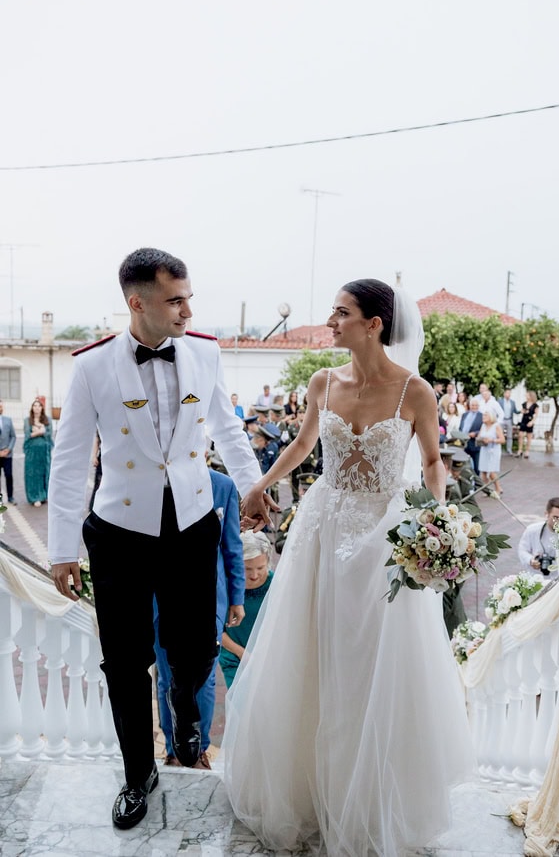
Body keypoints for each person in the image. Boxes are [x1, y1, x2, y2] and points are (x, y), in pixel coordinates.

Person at [223, 279, 473, 855]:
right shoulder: (322, 382)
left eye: (341, 313)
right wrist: (260, 483)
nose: (330, 321)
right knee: (314, 655)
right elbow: (303, 445)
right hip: (322, 529)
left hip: (385, 538)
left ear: (374, 323)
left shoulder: (416, 392)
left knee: (371, 661)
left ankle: (371, 796)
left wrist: (438, 520)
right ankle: (312, 792)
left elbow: (433, 462)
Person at [47, 248, 262, 831]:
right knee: (125, 659)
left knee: (195, 644)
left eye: (189, 296)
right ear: (136, 303)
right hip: (119, 529)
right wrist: (62, 547)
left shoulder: (206, 352)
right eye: (174, 300)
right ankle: (137, 772)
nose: (187, 309)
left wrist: (252, 486)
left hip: (191, 521)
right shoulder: (92, 367)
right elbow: (68, 461)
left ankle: (187, 711)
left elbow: (227, 427)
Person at [153, 466, 245, 767]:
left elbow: (232, 546)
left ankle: (200, 747)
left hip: (209, 599)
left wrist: (236, 597)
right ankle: (173, 748)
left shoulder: (222, 486)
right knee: (168, 679)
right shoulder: (149, 482)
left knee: (203, 679)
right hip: (160, 598)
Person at [219, 530, 274, 688]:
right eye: (247, 569)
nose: (255, 575)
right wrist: (243, 654)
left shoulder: (277, 585)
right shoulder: (225, 586)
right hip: (234, 656)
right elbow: (216, 629)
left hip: (268, 656)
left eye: (260, 568)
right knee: (240, 704)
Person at [518, 497, 559, 578]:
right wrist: (531, 560)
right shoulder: (532, 529)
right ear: (546, 514)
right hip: (535, 577)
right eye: (556, 518)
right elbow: (522, 550)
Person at [23, 398, 54, 506]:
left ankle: (43, 496)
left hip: (44, 452)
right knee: (32, 474)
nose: (37, 408)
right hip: (32, 452)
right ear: (32, 408)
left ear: (42, 408)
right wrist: (40, 431)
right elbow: (28, 435)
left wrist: (39, 430)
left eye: (39, 406)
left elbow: (49, 434)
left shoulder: (47, 420)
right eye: (34, 406)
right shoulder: (27, 420)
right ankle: (34, 497)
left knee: (44, 473)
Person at [476, 409, 505, 498]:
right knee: (483, 471)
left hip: (493, 450)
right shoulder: (483, 426)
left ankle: (498, 488)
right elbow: (479, 437)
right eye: (483, 416)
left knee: (491, 471)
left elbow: (502, 440)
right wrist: (481, 440)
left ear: (491, 417)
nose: (483, 417)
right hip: (484, 449)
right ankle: (487, 489)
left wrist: (492, 440)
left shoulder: (496, 426)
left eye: (486, 416)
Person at [459, 397, 483, 474]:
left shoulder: (481, 415)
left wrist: (475, 433)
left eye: (476, 405)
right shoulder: (465, 415)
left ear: (478, 406)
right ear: (470, 405)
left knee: (477, 466)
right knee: (464, 465)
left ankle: (477, 485)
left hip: (475, 444)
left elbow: (484, 429)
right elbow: (460, 427)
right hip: (464, 443)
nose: (474, 407)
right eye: (472, 405)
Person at [0, 399, 17, 505]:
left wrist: (8, 449)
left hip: (7, 454)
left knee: (9, 475)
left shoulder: (8, 420)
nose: (0, 408)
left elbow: (13, 436)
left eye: (1, 406)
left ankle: (10, 497)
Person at [516, 390, 539, 458]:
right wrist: (522, 411)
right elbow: (522, 410)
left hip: (530, 420)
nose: (526, 396)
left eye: (527, 395)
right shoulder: (524, 404)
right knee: (520, 435)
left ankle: (527, 451)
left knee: (529, 437)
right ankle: (520, 450)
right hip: (524, 419)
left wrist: (532, 422)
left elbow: (536, 414)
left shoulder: (535, 405)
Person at [499, 387, 519, 454]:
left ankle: (509, 449)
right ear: (504, 394)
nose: (508, 394)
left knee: (509, 436)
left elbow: (515, 411)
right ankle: (499, 449)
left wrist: (520, 411)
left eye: (509, 393)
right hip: (501, 420)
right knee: (500, 434)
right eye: (507, 393)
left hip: (509, 420)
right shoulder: (500, 401)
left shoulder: (512, 402)